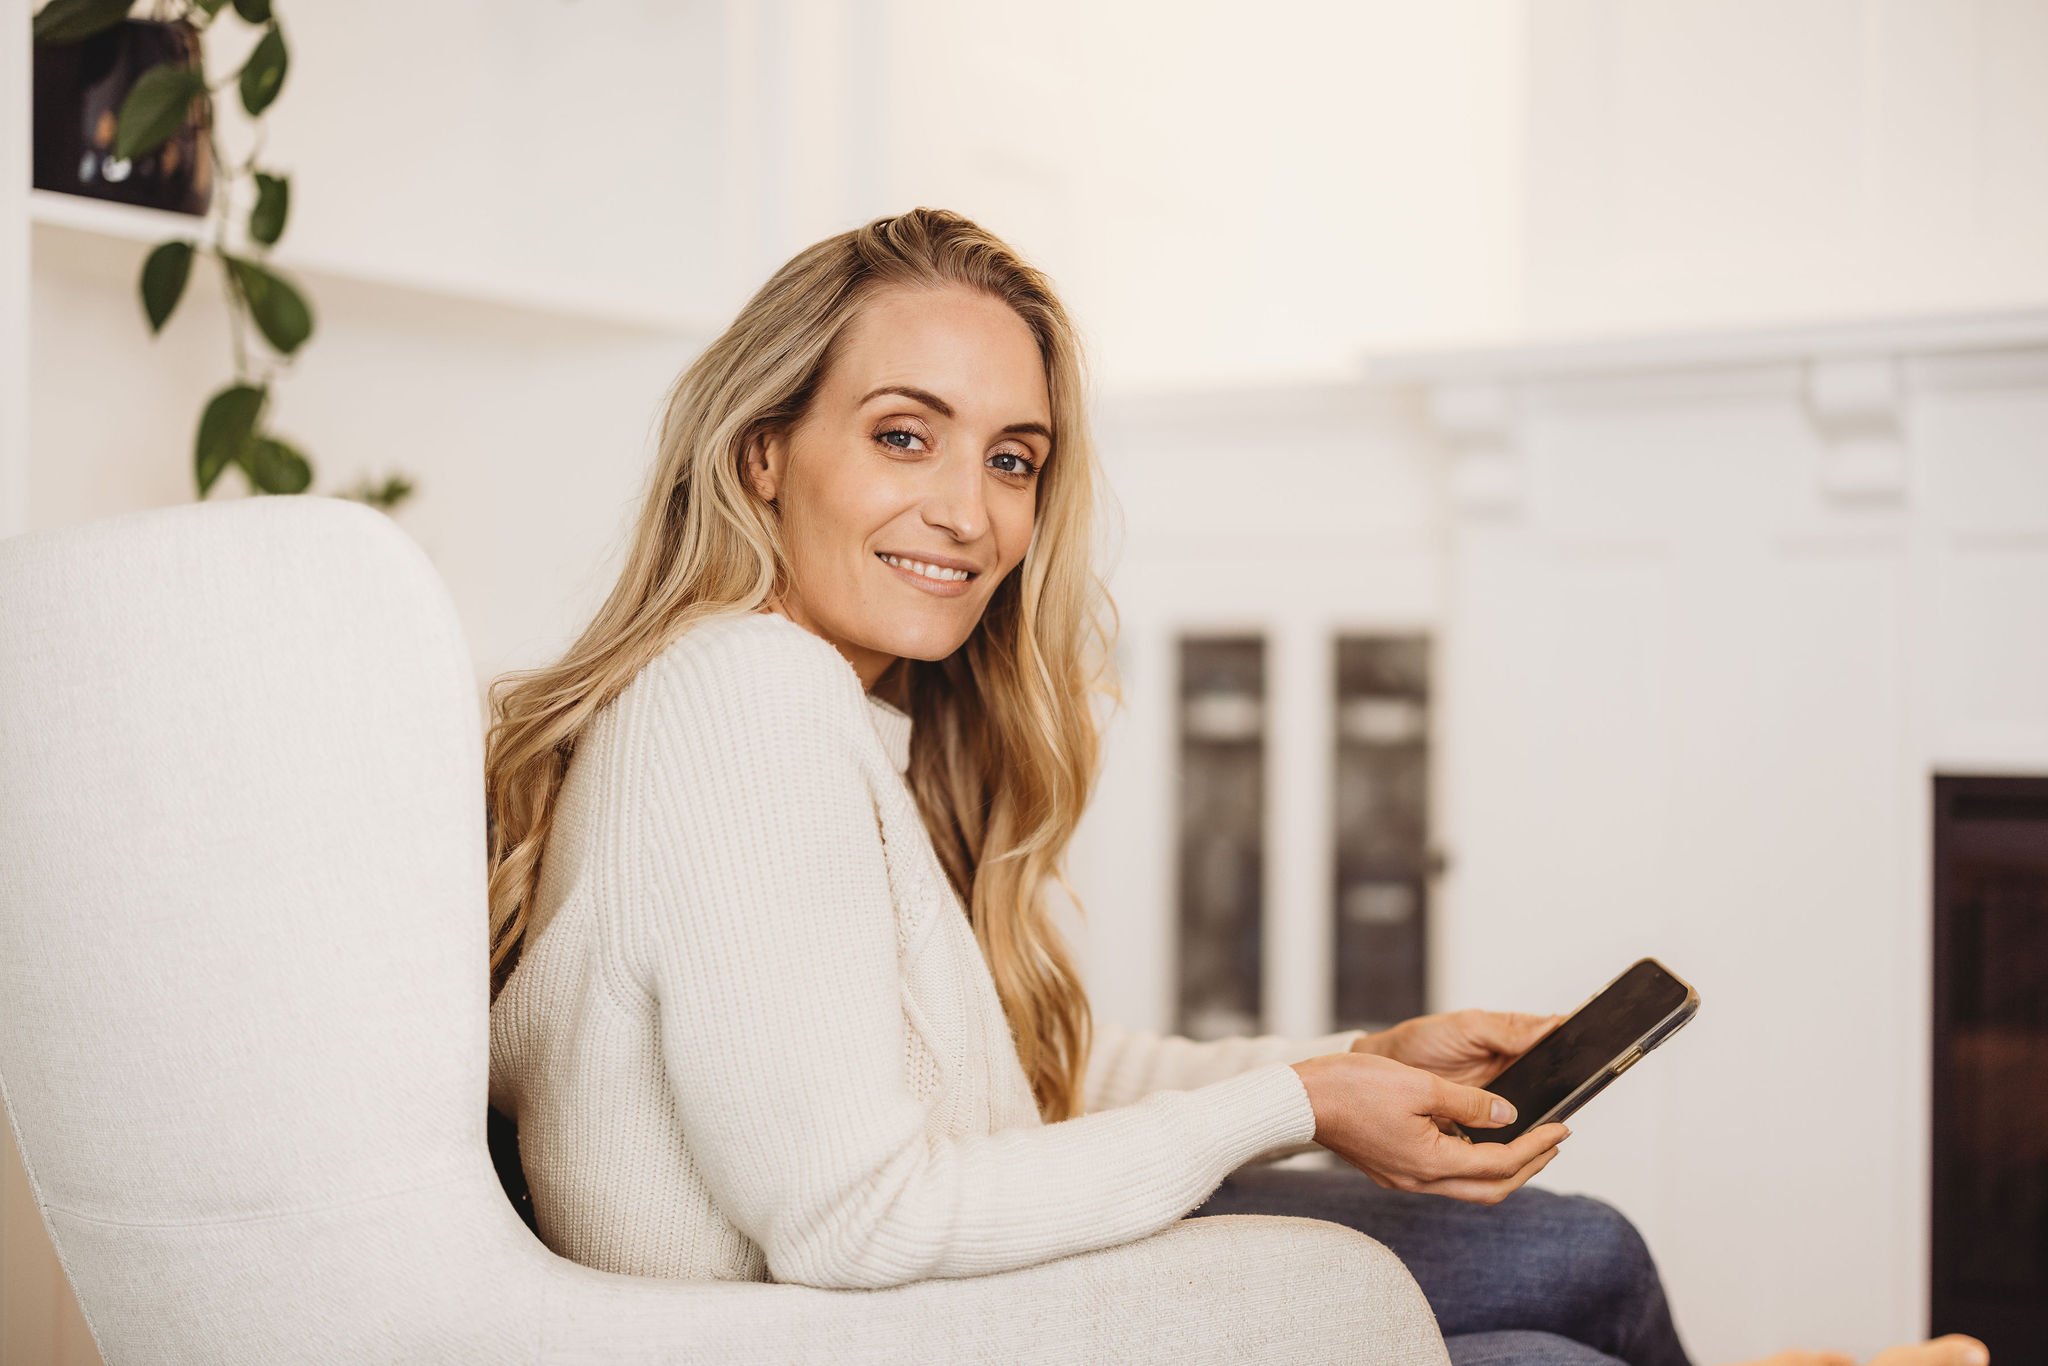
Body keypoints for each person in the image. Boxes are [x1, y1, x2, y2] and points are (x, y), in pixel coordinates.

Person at [482, 207, 1988, 1366]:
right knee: (1546, 1317)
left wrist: (1360, 1058)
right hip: (885, 1329)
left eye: (1013, 459)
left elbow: (1029, 1089)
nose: (969, 511)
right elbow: (854, 1216)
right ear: (761, 455)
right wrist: (1300, 1099)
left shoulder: (843, 716)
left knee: (1572, 1253)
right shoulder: (734, 704)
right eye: (902, 436)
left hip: (959, 1298)